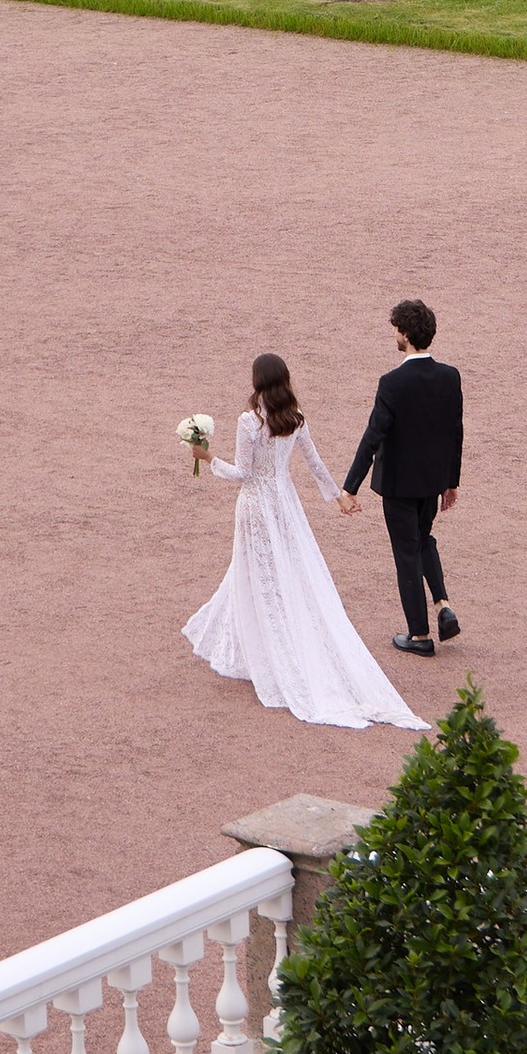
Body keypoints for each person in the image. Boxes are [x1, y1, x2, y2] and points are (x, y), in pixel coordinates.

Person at [183, 355, 421, 732]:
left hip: (257, 507)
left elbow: (243, 473)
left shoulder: (250, 422)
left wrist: (208, 457)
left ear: (258, 382)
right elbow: (314, 463)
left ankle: (268, 653)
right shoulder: (295, 419)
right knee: (286, 573)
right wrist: (339, 497)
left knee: (258, 576)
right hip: (286, 505)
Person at [341, 299, 463, 660]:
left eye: (396, 328)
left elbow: (372, 436)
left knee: (406, 552)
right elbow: (455, 432)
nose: (394, 333)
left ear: (406, 334)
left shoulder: (392, 382)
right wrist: (450, 481)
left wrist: (350, 487)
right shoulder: (450, 376)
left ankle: (419, 634)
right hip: (431, 482)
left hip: (397, 484)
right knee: (424, 539)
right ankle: (442, 603)